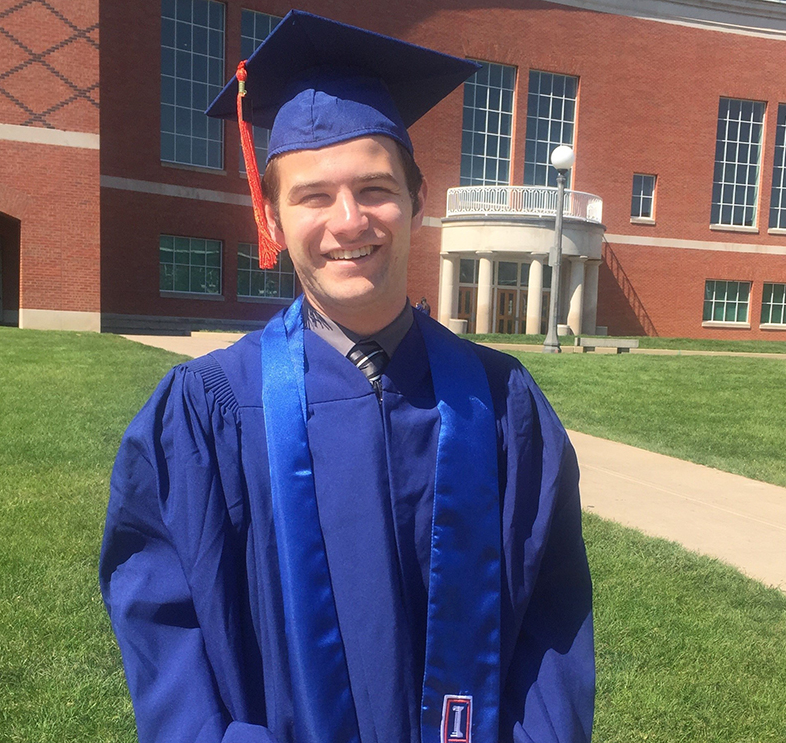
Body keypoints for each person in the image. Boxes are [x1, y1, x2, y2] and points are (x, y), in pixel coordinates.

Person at [100, 11, 594, 743]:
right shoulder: (210, 413)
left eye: (375, 188)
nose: (348, 220)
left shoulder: (500, 405)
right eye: (313, 195)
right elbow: (163, 627)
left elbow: (552, 625)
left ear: (418, 200)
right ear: (271, 214)